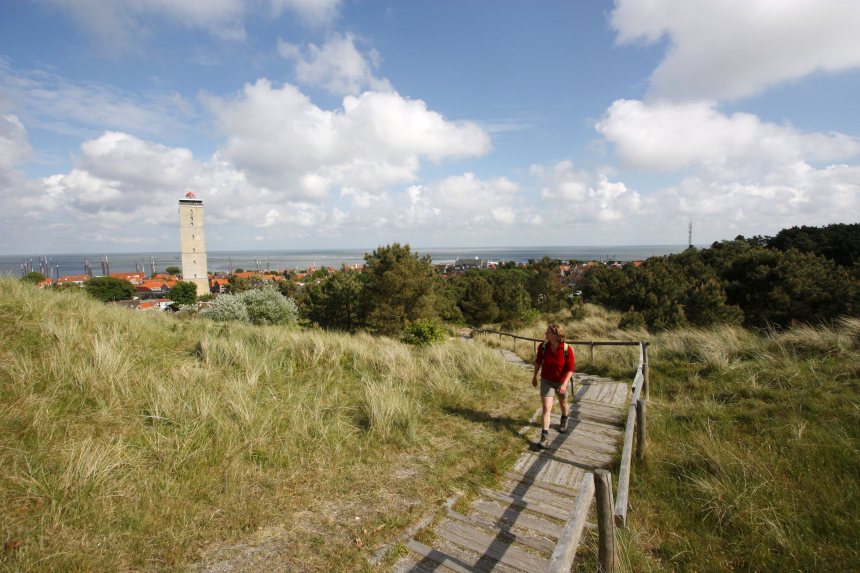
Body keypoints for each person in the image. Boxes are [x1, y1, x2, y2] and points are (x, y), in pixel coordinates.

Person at [531, 323, 575, 449]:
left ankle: (564, 418)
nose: (545, 334)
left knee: (563, 403)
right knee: (546, 408)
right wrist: (534, 377)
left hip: (561, 381)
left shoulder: (567, 349)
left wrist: (565, 383)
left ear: (556, 335)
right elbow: (538, 362)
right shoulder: (543, 346)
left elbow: (570, 369)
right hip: (546, 380)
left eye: (548, 332)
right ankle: (544, 436)